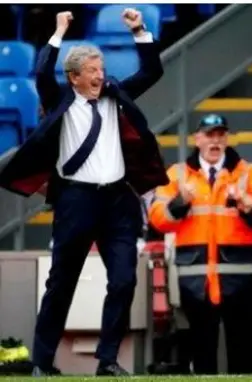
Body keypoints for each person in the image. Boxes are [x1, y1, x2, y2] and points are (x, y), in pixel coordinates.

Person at [0, 9, 166, 376]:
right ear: (74, 77)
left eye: (102, 69)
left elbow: (153, 71)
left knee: (124, 278)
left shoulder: (116, 95)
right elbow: (42, 71)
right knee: (62, 283)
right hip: (76, 201)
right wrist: (59, 31)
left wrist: (139, 30)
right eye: (92, 71)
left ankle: (107, 361)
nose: (100, 76)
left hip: (118, 201)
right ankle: (43, 362)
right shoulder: (60, 99)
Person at [148, 113, 252, 375]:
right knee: (202, 353)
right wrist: (180, 203)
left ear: (227, 138)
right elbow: (157, 220)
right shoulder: (177, 175)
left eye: (220, 135)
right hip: (195, 279)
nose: (215, 141)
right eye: (209, 135)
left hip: (241, 279)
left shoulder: (249, 173)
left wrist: (249, 207)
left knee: (241, 352)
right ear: (197, 139)